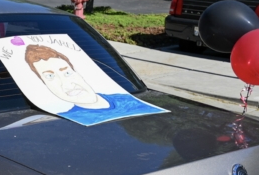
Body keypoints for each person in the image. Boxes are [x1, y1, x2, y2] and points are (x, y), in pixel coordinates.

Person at [24, 44, 165, 126]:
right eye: (50, 77)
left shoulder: (125, 99)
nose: (67, 84)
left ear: (77, 72)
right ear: (43, 84)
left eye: (67, 73)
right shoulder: (59, 121)